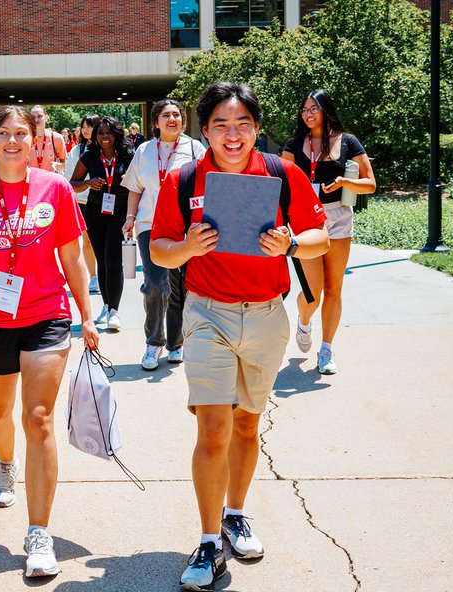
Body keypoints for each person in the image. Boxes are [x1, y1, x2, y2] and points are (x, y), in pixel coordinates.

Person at [150, 82, 329, 589]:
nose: (233, 135)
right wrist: (186, 247)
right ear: (203, 130)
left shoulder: (281, 172)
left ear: (257, 128)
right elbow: (160, 250)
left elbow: (319, 237)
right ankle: (208, 544)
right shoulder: (183, 178)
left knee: (247, 427)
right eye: (221, 126)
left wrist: (290, 244)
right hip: (208, 315)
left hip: (268, 316)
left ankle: (234, 514)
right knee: (212, 428)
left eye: (243, 124)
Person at [0, 104, 98, 579]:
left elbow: (71, 257)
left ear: (36, 140)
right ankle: (5, 463)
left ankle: (38, 532)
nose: (13, 141)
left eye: (22, 133)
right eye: (4, 133)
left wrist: (87, 315)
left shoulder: (55, 189)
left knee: (39, 417)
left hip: (47, 316)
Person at [281, 90, 375, 375]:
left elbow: (370, 183)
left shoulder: (348, 142)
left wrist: (345, 182)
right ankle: (304, 320)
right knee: (313, 292)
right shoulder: (295, 143)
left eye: (314, 109)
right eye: (304, 109)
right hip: (305, 217)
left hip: (338, 217)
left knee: (334, 288)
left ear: (326, 110)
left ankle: (326, 349)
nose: (308, 114)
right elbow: (280, 182)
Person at [121, 99, 203, 370]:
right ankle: (154, 342)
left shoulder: (194, 148)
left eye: (177, 115)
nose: (172, 119)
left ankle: (176, 343)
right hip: (149, 226)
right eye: (166, 115)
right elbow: (135, 187)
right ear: (155, 122)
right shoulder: (144, 150)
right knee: (157, 283)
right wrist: (130, 219)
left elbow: (206, 185)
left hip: (184, 227)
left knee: (180, 286)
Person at [70, 116, 134, 330]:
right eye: (101, 133)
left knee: (114, 260)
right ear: (95, 136)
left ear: (116, 134)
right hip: (96, 212)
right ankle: (107, 306)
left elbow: (139, 185)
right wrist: (88, 183)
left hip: (120, 213)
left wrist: (133, 216)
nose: (105, 137)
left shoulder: (129, 155)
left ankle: (114, 311)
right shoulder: (89, 157)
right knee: (103, 262)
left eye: (109, 132)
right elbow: (73, 184)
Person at [64, 114, 101, 295]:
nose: (87, 130)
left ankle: (104, 272)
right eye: (84, 126)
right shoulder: (77, 150)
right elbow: (70, 176)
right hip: (82, 200)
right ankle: (93, 276)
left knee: (102, 240)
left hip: (103, 200)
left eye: (91, 126)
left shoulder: (107, 147)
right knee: (87, 240)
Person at [28, 104, 67, 172]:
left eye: (40, 116)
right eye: (33, 117)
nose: (36, 119)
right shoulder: (25, 138)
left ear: (46, 118)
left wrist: (56, 166)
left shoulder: (56, 138)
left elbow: (66, 165)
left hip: (50, 180)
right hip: (31, 180)